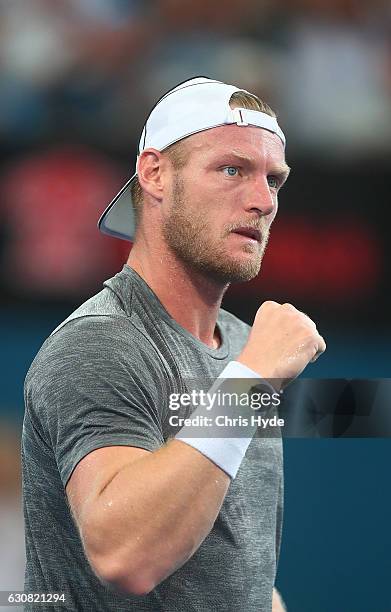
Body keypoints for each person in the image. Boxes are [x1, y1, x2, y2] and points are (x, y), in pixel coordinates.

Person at [22, 76, 325, 611]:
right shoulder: (100, 343)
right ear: (155, 173)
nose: (262, 201)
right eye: (232, 170)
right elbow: (127, 557)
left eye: (274, 181)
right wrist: (253, 379)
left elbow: (229, 568)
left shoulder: (242, 345)